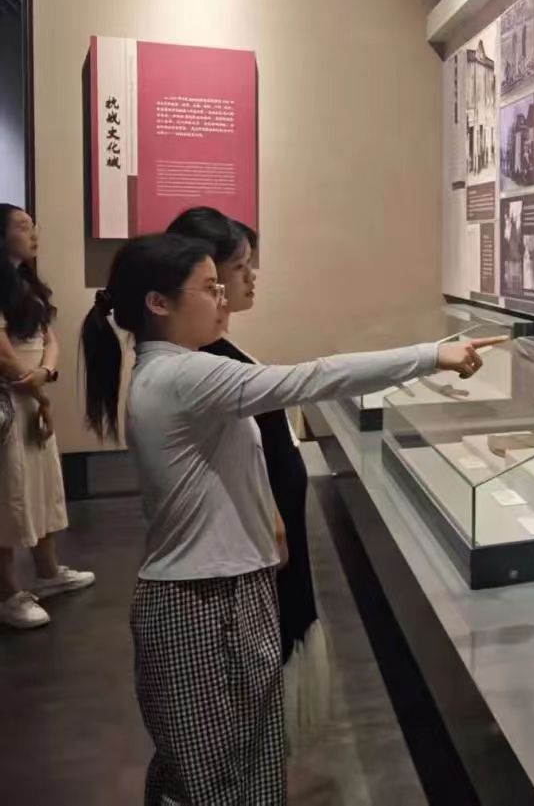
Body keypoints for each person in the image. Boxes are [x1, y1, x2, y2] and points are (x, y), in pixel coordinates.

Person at [80, 232, 501, 805]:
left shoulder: (181, 371)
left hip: (229, 589)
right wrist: (431, 356)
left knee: (251, 761)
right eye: (209, 288)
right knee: (211, 778)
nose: (223, 298)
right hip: (198, 602)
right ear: (158, 303)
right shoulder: (181, 376)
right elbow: (311, 377)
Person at [167, 207, 331, 745]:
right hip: (257, 535)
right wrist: (271, 514)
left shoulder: (215, 353)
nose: (250, 278)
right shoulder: (202, 363)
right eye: (239, 268)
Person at [0, 205, 93, 629]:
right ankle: (7, 593)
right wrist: (34, 385)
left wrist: (46, 373)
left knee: (41, 485)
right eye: (22, 226)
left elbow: (49, 338)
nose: (33, 233)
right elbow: (3, 351)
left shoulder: (27, 282)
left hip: (32, 395)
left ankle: (48, 571)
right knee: (9, 492)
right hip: (9, 399)